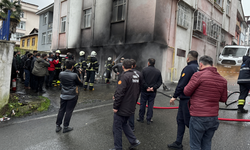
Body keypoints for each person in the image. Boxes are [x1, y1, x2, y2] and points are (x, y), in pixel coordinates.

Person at [184, 55, 227, 150]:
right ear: (212, 65)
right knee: (207, 143)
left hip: (198, 116)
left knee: (195, 145)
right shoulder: (222, 80)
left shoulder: (198, 75)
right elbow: (224, 99)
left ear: (201, 64)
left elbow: (186, 91)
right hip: (213, 117)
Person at [167, 51, 199, 149]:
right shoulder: (198, 68)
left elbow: (182, 84)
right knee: (180, 120)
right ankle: (178, 142)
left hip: (186, 99)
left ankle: (197, 144)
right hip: (190, 99)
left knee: (189, 122)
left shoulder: (189, 68)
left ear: (188, 58)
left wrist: (174, 96)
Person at [110, 59, 141, 150]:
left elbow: (120, 92)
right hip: (131, 105)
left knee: (117, 127)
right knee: (124, 123)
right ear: (132, 66)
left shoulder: (124, 76)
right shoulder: (137, 75)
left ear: (123, 67)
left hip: (123, 106)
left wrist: (116, 106)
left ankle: (118, 147)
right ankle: (133, 141)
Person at [55, 60, 83, 133]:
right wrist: (80, 74)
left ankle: (58, 126)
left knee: (61, 110)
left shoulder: (61, 73)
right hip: (72, 95)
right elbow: (80, 84)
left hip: (63, 94)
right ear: (72, 67)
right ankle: (66, 127)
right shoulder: (74, 75)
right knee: (69, 111)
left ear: (65, 66)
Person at [137, 58, 162, 125]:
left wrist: (147, 87)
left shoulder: (144, 70)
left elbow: (141, 80)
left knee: (142, 104)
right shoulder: (158, 71)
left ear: (148, 63)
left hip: (144, 91)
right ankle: (149, 119)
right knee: (151, 105)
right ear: (154, 63)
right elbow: (159, 82)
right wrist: (153, 88)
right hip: (153, 92)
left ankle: (141, 118)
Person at [128, 59, 141, 132]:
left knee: (125, 110)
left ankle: (126, 126)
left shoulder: (125, 74)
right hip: (135, 95)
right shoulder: (139, 73)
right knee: (132, 110)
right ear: (135, 66)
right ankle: (131, 127)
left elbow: (121, 86)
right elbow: (141, 85)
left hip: (127, 96)